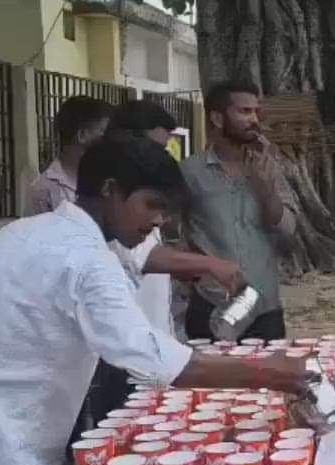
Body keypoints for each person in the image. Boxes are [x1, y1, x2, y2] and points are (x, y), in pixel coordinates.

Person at [0, 134, 312, 465]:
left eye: (167, 211)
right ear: (110, 190)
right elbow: (149, 359)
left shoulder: (20, 232)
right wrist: (268, 371)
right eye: (152, 205)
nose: (158, 221)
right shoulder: (87, 258)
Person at [87, 100, 245, 421]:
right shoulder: (95, 229)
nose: (158, 219)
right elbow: (141, 257)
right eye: (153, 146)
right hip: (125, 358)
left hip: (154, 343)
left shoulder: (129, 209)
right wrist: (208, 264)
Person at [181, 80, 297, 341]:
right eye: (244, 112)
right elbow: (173, 234)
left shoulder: (269, 169)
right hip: (211, 308)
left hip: (264, 309)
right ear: (217, 118)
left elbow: (288, 232)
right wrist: (194, 277)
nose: (254, 119)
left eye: (255, 111)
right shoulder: (190, 172)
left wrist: (266, 190)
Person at [25, 95, 112, 216]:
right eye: (104, 132)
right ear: (82, 134)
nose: (111, 140)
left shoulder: (109, 183)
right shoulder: (44, 190)